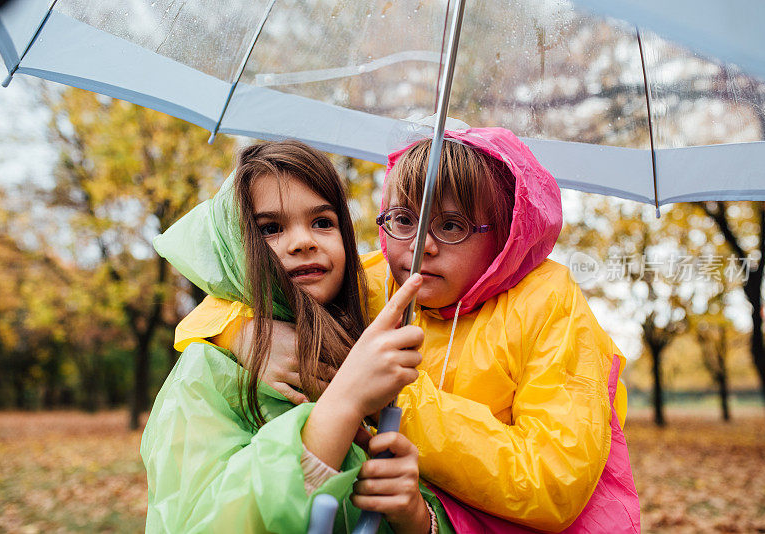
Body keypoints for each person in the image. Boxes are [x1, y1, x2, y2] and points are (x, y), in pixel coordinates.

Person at [180, 128, 641, 532]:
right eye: (404, 220)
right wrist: (242, 330)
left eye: (453, 225)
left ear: (504, 235)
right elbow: (232, 290)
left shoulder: (548, 302)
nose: (424, 246)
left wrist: (394, 396)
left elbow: (554, 480)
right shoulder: (378, 280)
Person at [141, 140, 454, 533]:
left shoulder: (368, 345)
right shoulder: (206, 373)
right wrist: (342, 404)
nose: (304, 241)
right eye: (270, 228)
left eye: (323, 222)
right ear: (237, 247)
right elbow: (204, 521)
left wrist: (415, 518)